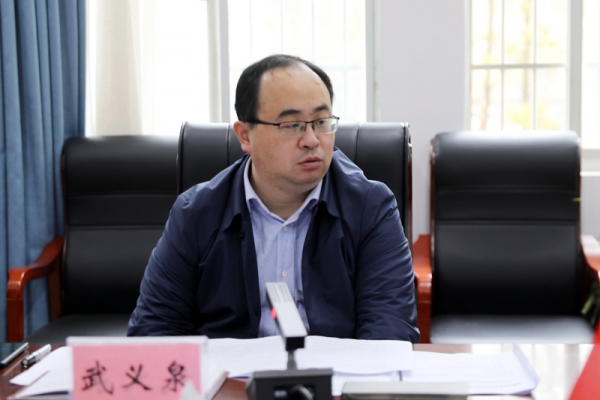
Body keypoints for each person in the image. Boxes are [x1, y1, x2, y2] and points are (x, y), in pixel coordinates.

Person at [127, 54, 420, 342]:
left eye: (321, 121)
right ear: (245, 135)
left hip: (337, 372)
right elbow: (155, 329)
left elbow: (390, 332)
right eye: (291, 125)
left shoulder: (370, 207)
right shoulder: (196, 213)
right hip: (230, 373)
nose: (312, 140)